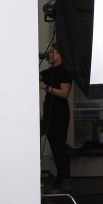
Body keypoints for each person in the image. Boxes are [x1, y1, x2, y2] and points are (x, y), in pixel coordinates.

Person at [39, 43, 73, 193]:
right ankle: (59, 179)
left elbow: (64, 93)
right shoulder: (50, 71)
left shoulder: (65, 71)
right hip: (49, 114)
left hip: (60, 114)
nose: (50, 55)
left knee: (59, 148)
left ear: (59, 54)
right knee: (54, 147)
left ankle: (64, 180)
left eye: (52, 52)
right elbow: (37, 76)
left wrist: (45, 87)